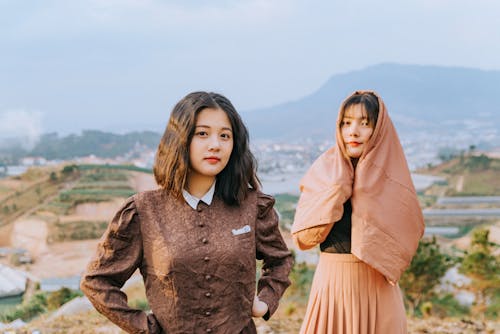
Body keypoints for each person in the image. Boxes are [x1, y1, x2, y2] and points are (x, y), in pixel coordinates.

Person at [80, 91, 293, 334]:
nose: (215, 144)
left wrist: (264, 301)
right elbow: (97, 280)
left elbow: (280, 260)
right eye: (202, 133)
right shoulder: (143, 211)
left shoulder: (252, 206)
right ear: (180, 139)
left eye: (225, 135)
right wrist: (145, 327)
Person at [291, 91, 424, 334]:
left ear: (380, 130)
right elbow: (304, 239)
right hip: (333, 285)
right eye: (347, 123)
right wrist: (337, 191)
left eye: (365, 123)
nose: (353, 131)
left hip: (379, 289)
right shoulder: (324, 172)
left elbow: (406, 240)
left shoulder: (393, 180)